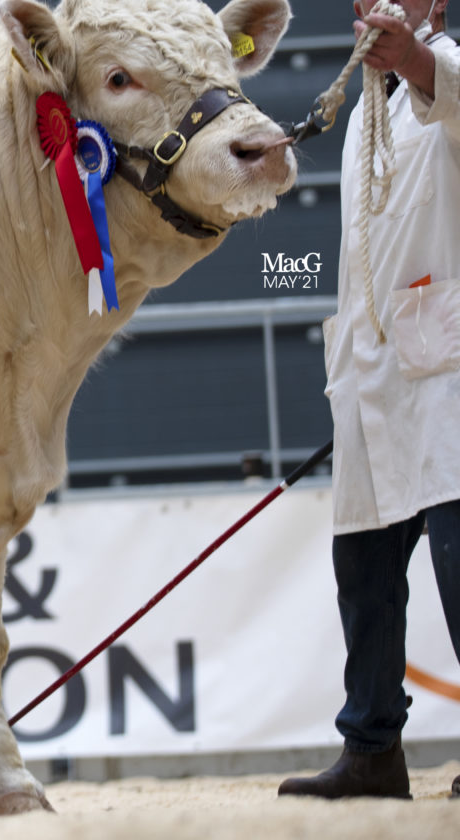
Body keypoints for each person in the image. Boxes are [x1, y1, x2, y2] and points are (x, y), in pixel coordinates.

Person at [279, 0, 460, 801]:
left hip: (449, 375)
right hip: (373, 375)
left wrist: (419, 64)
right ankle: (372, 747)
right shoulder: (360, 116)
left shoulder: (443, 74)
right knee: (365, 572)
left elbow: (448, 90)